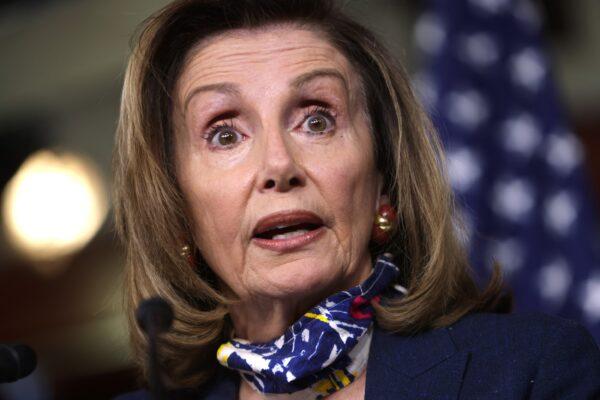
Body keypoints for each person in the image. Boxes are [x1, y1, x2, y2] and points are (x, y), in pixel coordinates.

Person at [112, 0, 600, 399]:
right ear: (175, 209)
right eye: (224, 135)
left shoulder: (531, 369)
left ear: (383, 183)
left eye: (317, 120)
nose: (279, 166)